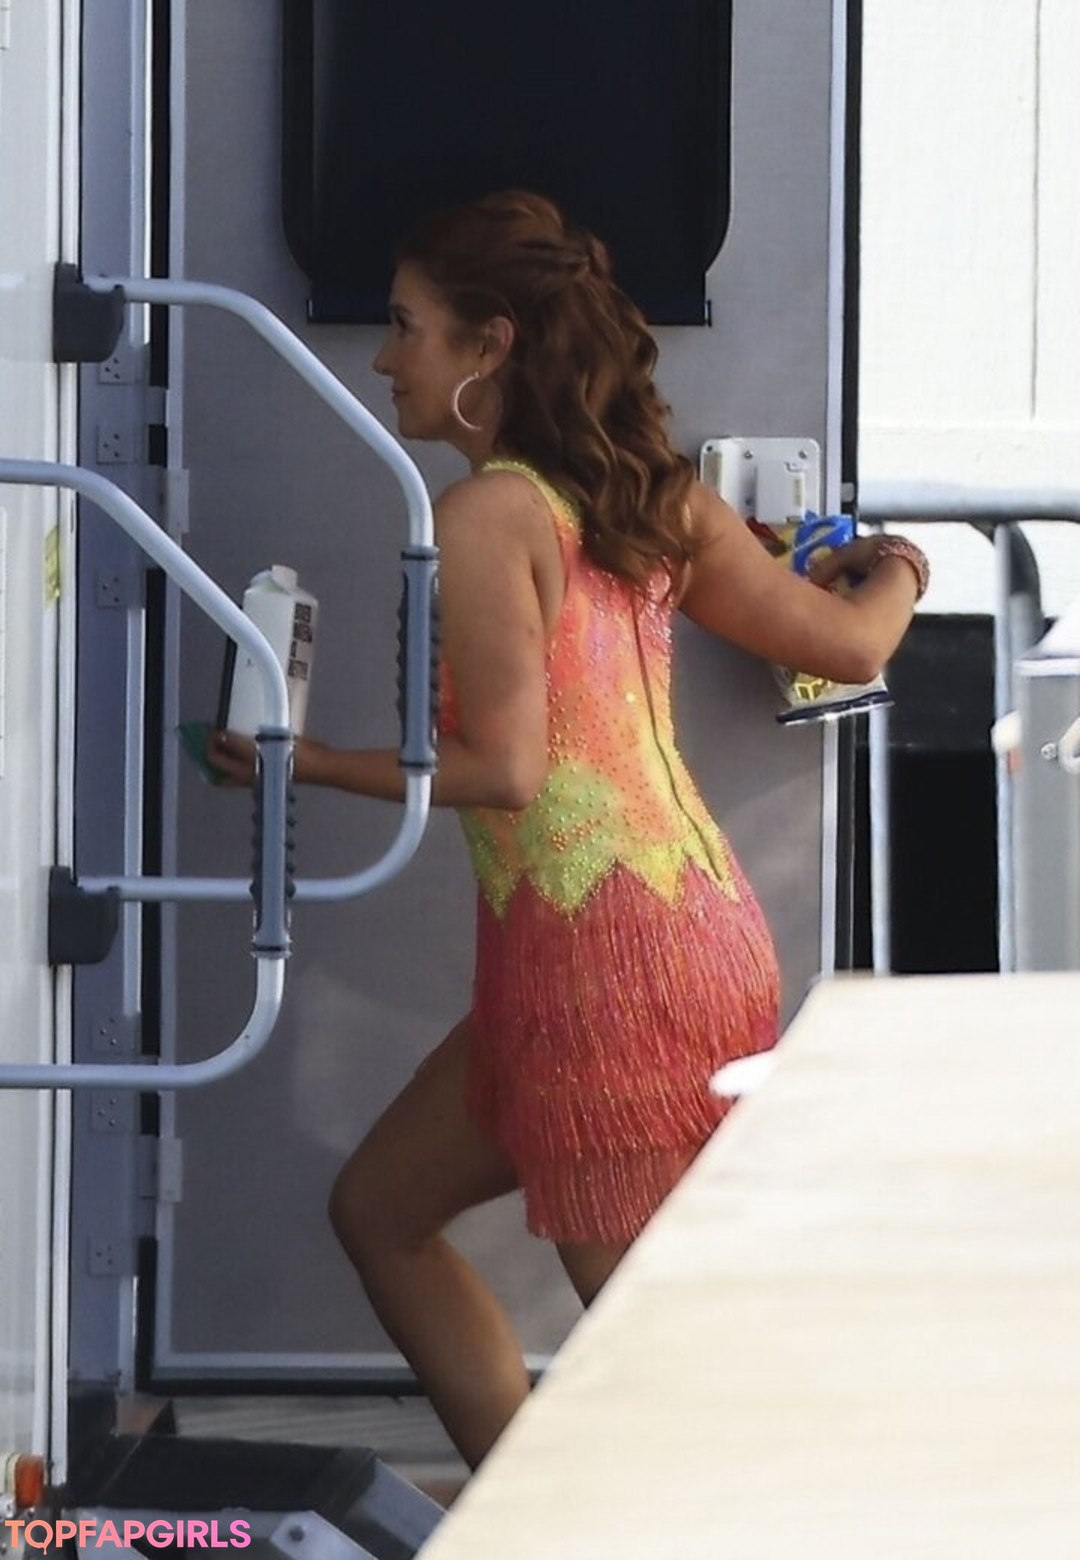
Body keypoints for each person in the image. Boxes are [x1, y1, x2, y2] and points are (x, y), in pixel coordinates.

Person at [209, 190, 928, 1471]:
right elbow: (853, 645)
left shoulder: (485, 516)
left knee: (662, 1361)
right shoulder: (654, 496)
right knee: (381, 1211)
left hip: (604, 969)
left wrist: (302, 762)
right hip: (669, 937)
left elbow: (503, 769)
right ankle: (527, 1523)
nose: (383, 359)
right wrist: (905, 566)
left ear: (489, 345)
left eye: (406, 326)